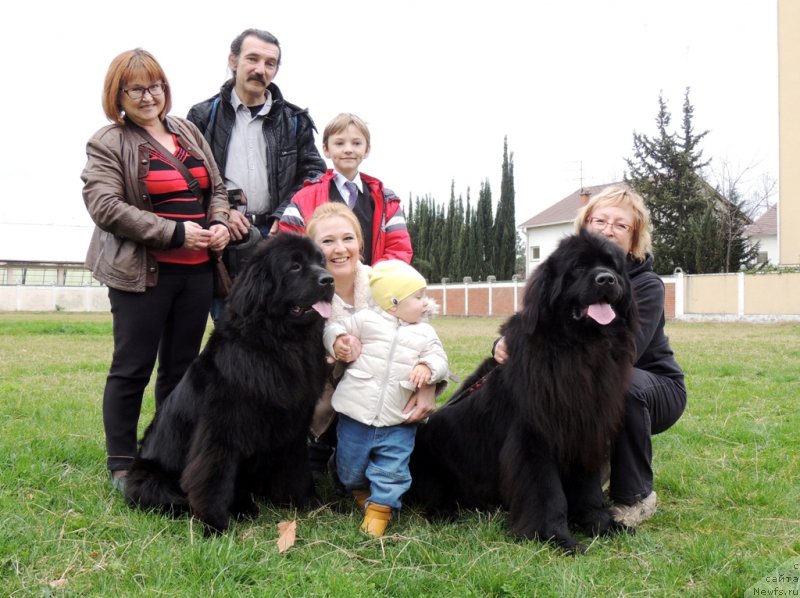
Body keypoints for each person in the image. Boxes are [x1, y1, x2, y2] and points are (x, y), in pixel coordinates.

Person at [82, 49, 231, 491]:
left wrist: (219, 223)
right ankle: (123, 463)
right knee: (132, 367)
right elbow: (105, 206)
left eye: (156, 86)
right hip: (141, 274)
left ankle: (168, 450)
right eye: (137, 89)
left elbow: (217, 188)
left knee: (182, 369)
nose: (149, 96)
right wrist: (175, 233)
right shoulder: (108, 141)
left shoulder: (185, 129)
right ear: (119, 94)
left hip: (197, 273)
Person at [493, 184, 686, 526]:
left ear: (635, 235)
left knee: (618, 386)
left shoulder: (646, 284)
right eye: (601, 220)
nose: (609, 229)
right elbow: (542, 320)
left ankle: (635, 495)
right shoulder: (567, 269)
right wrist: (508, 344)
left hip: (653, 385)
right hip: (601, 382)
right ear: (586, 223)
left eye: (621, 224)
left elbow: (621, 354)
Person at [187, 28, 326, 319]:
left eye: (270, 63)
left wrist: (283, 213)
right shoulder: (201, 116)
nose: (260, 69)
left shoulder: (295, 120)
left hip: (278, 240)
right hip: (222, 239)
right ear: (233, 61)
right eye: (252, 59)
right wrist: (221, 213)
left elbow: (313, 173)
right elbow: (189, 177)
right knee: (229, 328)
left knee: (279, 330)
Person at [305, 203, 436, 478]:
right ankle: (321, 448)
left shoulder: (386, 285)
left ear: (360, 243)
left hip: (389, 399)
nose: (340, 249)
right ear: (313, 250)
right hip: (329, 403)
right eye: (328, 241)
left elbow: (422, 339)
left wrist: (428, 385)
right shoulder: (303, 297)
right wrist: (329, 356)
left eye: (348, 238)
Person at [323, 259, 449, 537]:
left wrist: (428, 368)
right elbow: (332, 328)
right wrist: (339, 339)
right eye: (417, 297)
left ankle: (380, 510)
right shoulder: (366, 321)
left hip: (398, 421)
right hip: (356, 417)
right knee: (350, 468)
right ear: (393, 303)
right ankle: (358, 489)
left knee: (393, 470)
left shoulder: (425, 332)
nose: (425, 302)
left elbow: (441, 360)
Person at [279, 113, 412, 265]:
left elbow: (399, 249)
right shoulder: (303, 198)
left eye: (356, 143)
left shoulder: (387, 201)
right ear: (326, 149)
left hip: (373, 285)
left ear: (367, 149)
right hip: (322, 286)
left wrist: (373, 278)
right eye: (339, 143)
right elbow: (289, 248)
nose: (348, 149)